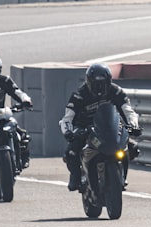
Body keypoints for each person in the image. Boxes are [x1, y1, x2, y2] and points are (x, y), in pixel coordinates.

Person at [60, 63, 142, 192]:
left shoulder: (116, 91)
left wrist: (133, 125)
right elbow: (67, 117)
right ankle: (75, 176)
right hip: (85, 128)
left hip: (111, 126)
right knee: (71, 152)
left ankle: (122, 176)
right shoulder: (79, 95)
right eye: (96, 84)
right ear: (88, 81)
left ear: (109, 82)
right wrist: (69, 132)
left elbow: (128, 111)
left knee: (132, 148)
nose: (99, 88)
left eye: (103, 84)